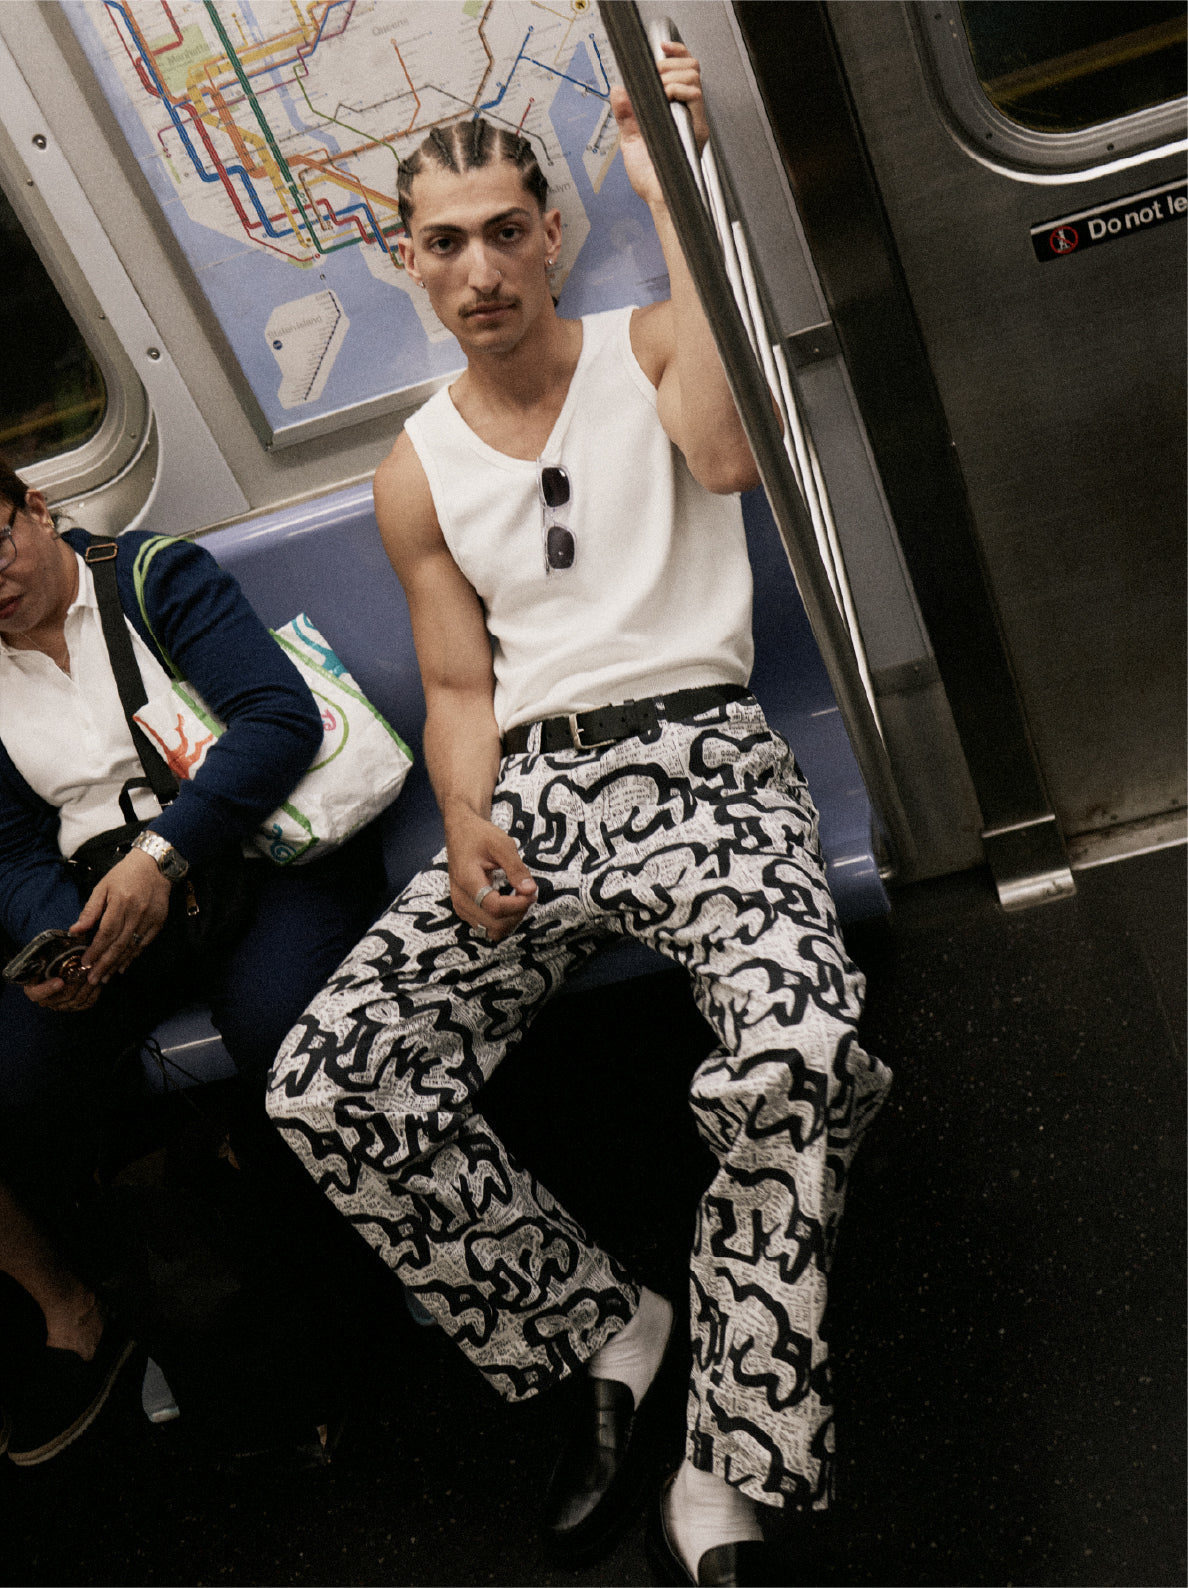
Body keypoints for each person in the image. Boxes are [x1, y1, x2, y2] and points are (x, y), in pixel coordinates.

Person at [267, 43, 891, 1586]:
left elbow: (728, 454)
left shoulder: (649, 340)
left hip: (708, 764)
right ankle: (600, 1326)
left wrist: (668, 182)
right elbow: (456, 685)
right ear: (408, 263)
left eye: (505, 231)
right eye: (446, 242)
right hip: (536, 795)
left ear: (551, 233)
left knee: (803, 1049)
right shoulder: (414, 470)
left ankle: (729, 1454)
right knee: (328, 1083)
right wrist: (465, 813)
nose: (480, 270)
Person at [0, 456, 386, 1464]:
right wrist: (62, 936)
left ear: (35, 509)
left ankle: (348, 1293)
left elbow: (276, 719)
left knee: (280, 1037)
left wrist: (162, 855)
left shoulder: (152, 576)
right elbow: (10, 848)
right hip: (108, 899)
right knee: (18, 1083)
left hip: (252, 854)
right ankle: (153, 1298)